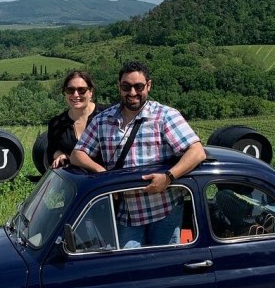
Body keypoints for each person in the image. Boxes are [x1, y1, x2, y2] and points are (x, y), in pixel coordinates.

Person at [71, 60, 206, 247]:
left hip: (164, 210)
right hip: (125, 213)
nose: (132, 93)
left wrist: (168, 177)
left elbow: (197, 151)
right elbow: (77, 154)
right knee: (131, 269)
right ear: (119, 87)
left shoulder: (164, 116)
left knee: (163, 266)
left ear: (148, 86)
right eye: (126, 86)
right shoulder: (103, 120)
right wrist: (101, 171)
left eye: (138, 86)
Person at [47, 70, 106, 169]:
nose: (75, 95)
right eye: (70, 90)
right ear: (65, 93)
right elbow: (51, 150)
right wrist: (61, 155)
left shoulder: (106, 115)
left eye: (81, 90)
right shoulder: (56, 123)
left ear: (90, 92)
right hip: (76, 181)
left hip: (106, 178)